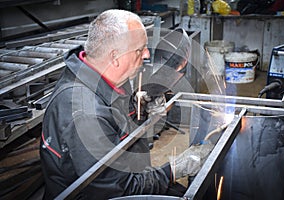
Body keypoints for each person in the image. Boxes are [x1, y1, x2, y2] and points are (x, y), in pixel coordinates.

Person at [40, 9, 212, 200]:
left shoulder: (96, 75)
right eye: (140, 49)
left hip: (125, 176)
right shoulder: (86, 115)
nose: (147, 55)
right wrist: (173, 170)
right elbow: (118, 189)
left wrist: (137, 108)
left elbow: (113, 123)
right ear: (115, 57)